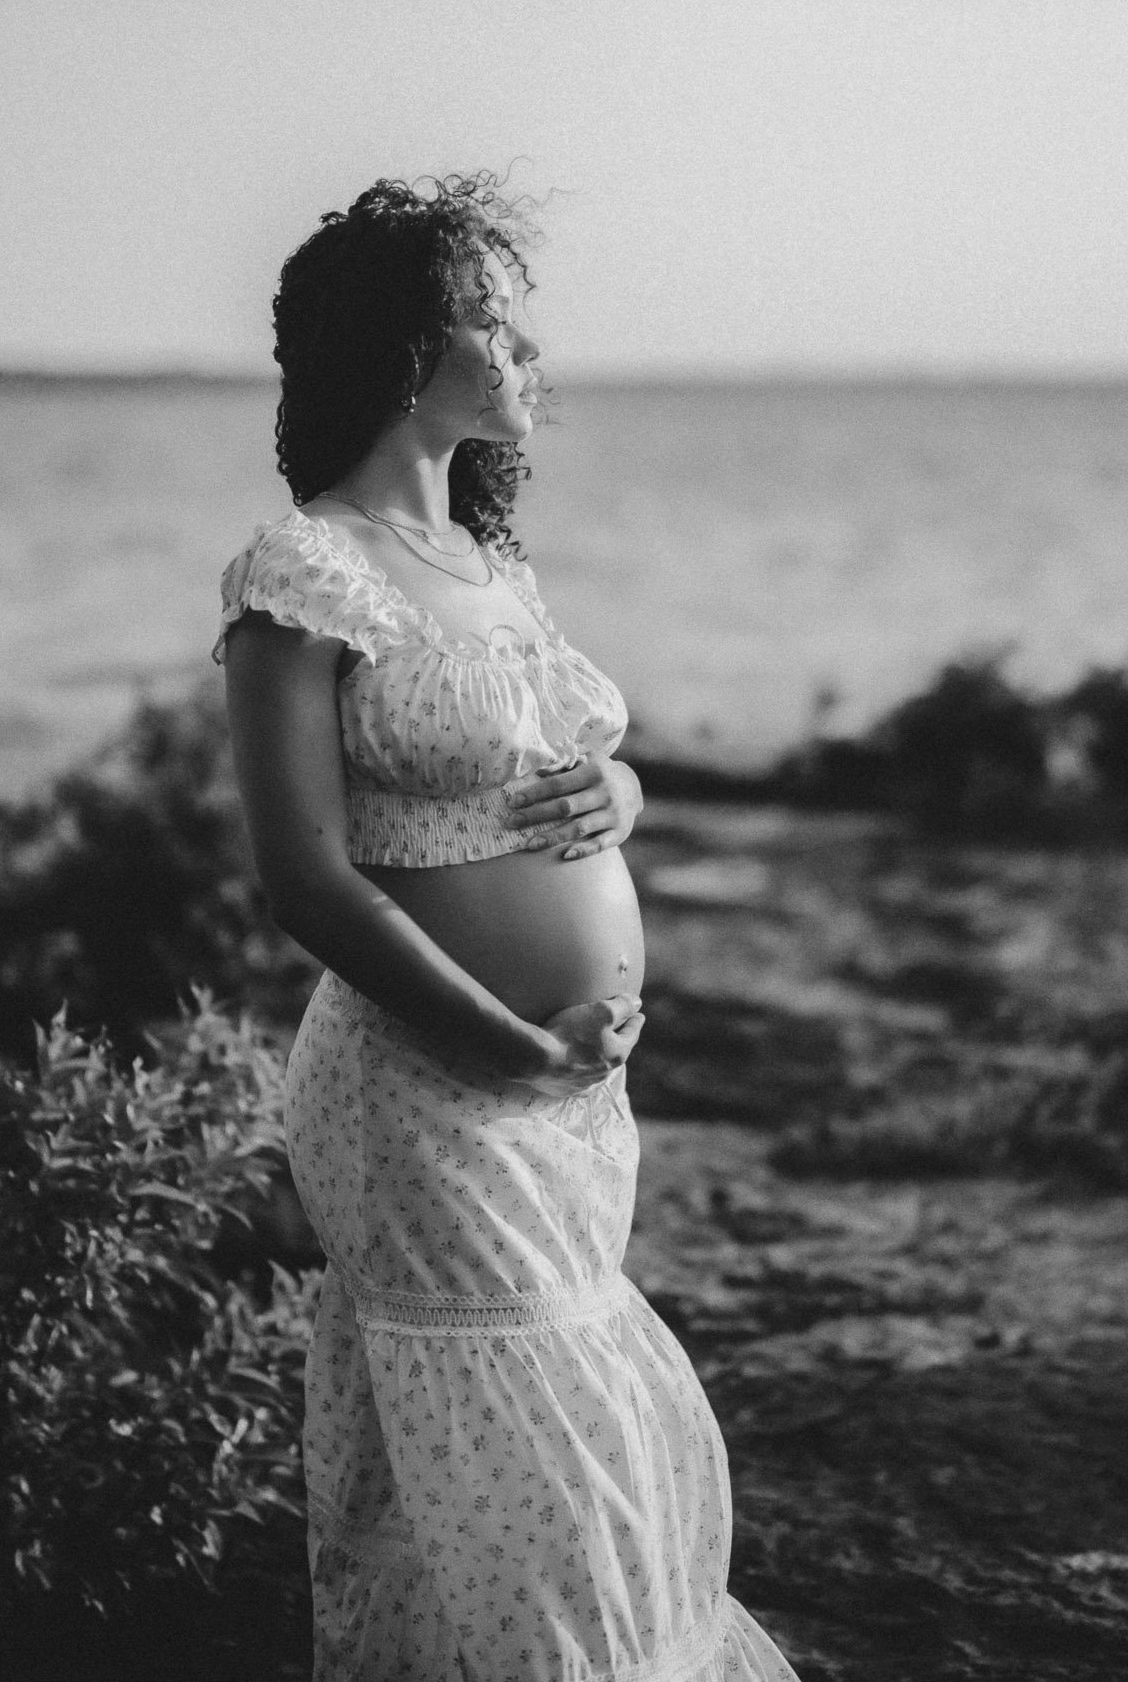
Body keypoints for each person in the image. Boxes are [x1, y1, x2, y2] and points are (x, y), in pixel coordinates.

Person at [215, 174, 798, 1681]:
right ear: (411, 347)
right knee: (526, 1448)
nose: (530, 358)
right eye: (500, 324)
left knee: (551, 1428)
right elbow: (307, 877)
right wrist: (500, 1040)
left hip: (561, 1093)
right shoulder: (304, 574)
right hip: (426, 1088)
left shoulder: (489, 571)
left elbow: (551, 771)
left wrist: (620, 786)